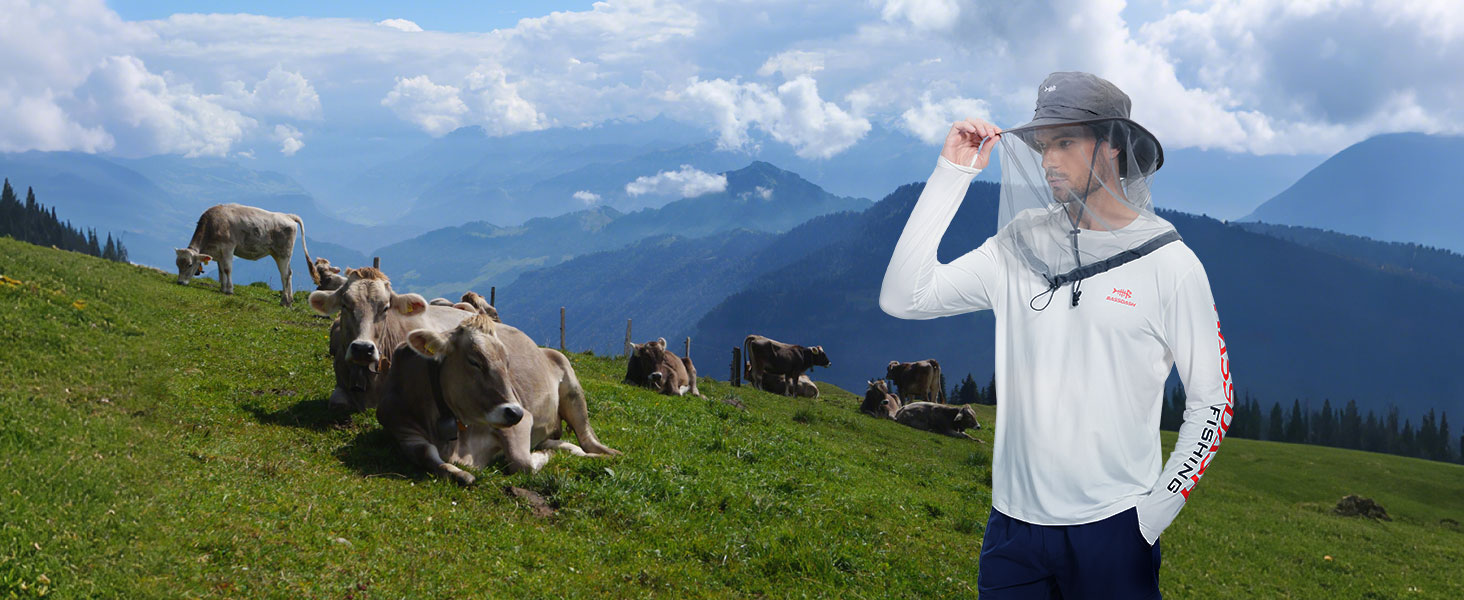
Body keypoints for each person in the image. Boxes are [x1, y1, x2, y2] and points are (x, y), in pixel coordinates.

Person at [879, 71, 1233, 599]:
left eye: (1065, 142)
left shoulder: (1172, 265)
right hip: (1012, 532)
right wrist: (952, 172)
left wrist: (1153, 516)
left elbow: (1214, 400)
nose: (1047, 160)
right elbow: (904, 296)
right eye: (1044, 145)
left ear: (1112, 146)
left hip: (1115, 531)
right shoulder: (1017, 246)